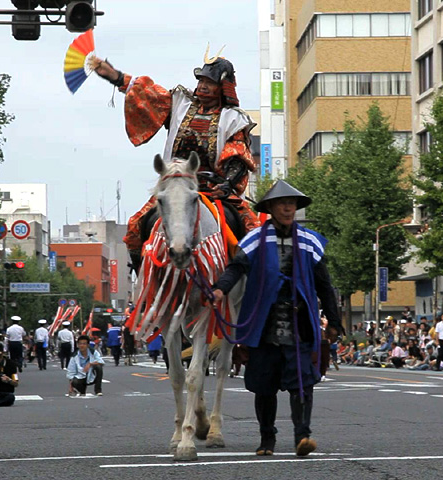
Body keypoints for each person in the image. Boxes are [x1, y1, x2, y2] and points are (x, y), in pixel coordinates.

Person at [90, 48, 260, 271]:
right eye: (200, 80)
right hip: (175, 184)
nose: (202, 86)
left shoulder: (234, 119)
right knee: (135, 226)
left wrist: (227, 184)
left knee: (254, 231)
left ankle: (250, 287)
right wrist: (116, 77)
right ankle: (143, 274)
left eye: (209, 82)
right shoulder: (181, 105)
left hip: (215, 189)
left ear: (222, 86)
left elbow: (237, 155)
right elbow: (149, 95)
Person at [212, 180, 343, 457]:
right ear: (270, 208)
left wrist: (334, 321)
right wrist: (220, 289)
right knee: (264, 386)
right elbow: (235, 268)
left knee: (303, 383)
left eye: (292, 203)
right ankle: (266, 439)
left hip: (299, 322)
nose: (288, 207)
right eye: (282, 203)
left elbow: (324, 285)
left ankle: (302, 436)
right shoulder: (255, 240)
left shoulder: (309, 241)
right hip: (263, 322)